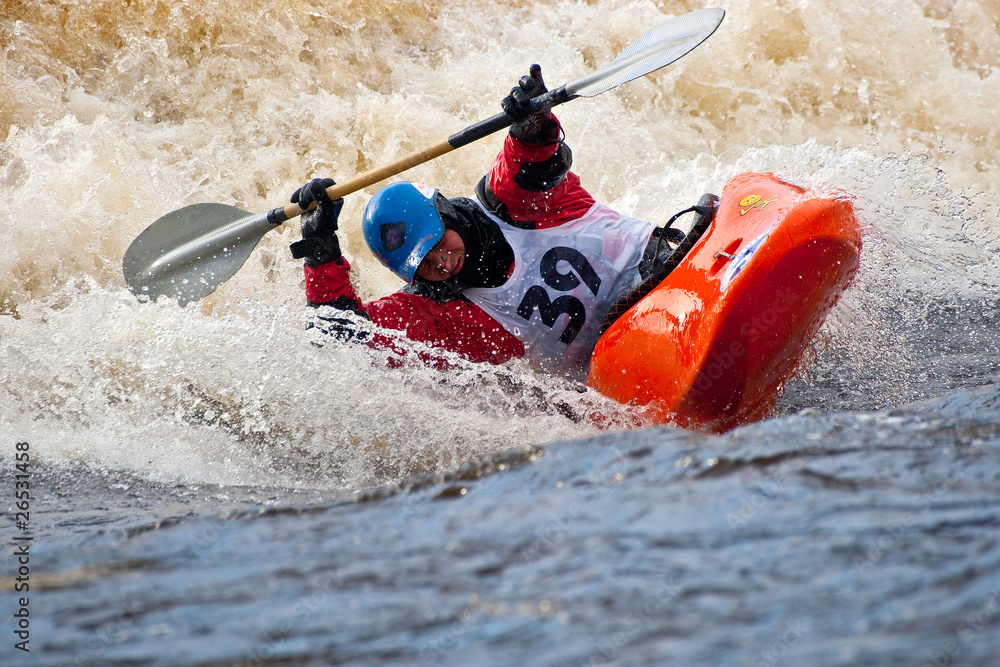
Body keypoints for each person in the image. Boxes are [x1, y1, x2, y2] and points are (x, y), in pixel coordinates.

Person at [288, 65, 691, 379]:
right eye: (425, 265)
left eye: (436, 245)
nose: (442, 264)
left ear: (444, 214)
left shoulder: (511, 201)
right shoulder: (442, 315)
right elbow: (340, 337)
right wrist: (320, 253)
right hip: (623, 356)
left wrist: (531, 121)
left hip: (668, 271)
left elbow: (534, 158)